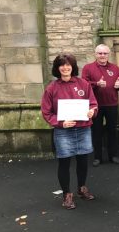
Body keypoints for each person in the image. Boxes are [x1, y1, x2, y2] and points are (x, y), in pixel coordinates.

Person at [41, 53, 98, 210]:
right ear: (57, 68)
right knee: (64, 162)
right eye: (62, 65)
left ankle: (81, 188)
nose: (65, 68)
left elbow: (93, 104)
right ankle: (67, 194)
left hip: (83, 129)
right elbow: (46, 112)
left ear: (72, 67)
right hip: (63, 131)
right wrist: (60, 122)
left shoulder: (83, 84)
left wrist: (92, 111)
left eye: (68, 65)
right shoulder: (51, 88)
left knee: (82, 161)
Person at [82, 44, 119, 167]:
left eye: (105, 53)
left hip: (112, 104)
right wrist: (96, 84)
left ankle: (113, 155)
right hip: (95, 105)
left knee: (112, 131)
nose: (102, 55)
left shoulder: (115, 68)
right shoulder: (88, 68)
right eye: (100, 53)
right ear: (95, 54)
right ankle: (97, 157)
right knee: (96, 131)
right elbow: (84, 85)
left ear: (109, 54)